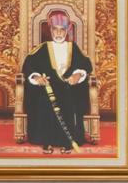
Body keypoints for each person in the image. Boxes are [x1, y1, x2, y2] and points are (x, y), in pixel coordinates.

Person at [21, 10, 94, 150]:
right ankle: (46, 139)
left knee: (70, 100)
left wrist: (78, 75)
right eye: (55, 29)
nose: (59, 33)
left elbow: (85, 64)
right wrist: (36, 77)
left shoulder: (73, 48)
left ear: (67, 31)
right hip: (48, 88)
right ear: (51, 30)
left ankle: (69, 140)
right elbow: (29, 65)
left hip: (69, 88)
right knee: (43, 101)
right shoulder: (42, 48)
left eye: (62, 30)